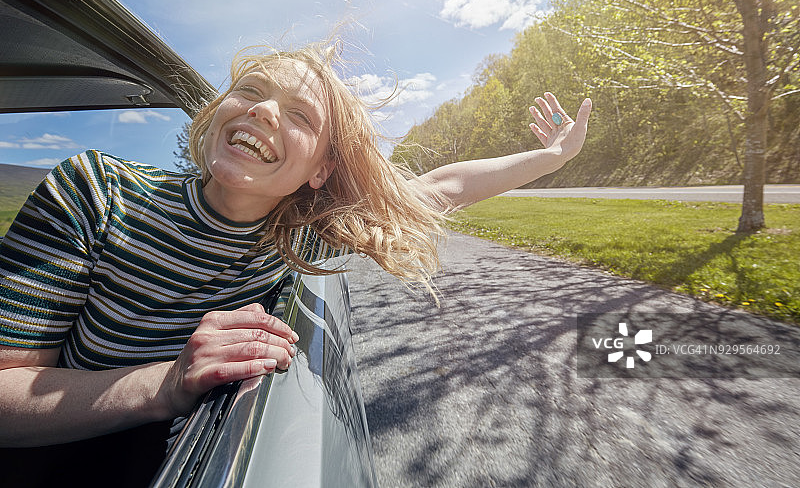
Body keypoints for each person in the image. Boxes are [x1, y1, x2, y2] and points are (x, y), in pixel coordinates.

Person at [0, 39, 591, 485]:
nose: (263, 112)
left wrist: (549, 158)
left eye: (300, 116)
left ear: (319, 172)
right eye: (251, 92)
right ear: (218, 113)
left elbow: (441, 186)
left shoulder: (300, 238)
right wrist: (167, 384)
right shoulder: (98, 190)